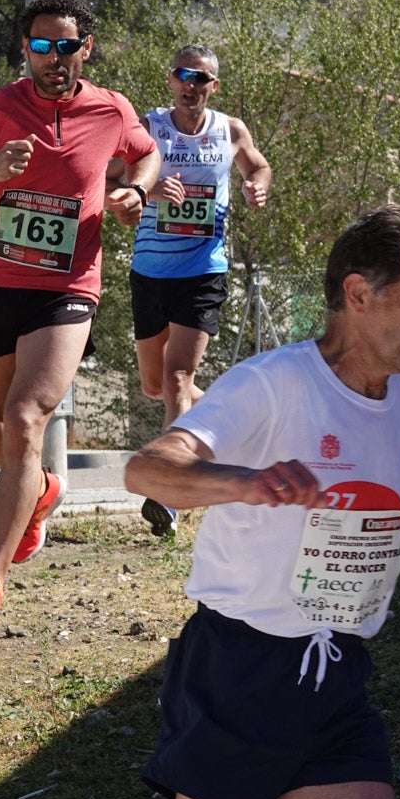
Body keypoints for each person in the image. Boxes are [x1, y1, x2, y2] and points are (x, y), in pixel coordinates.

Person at [125, 203, 400, 799]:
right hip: (235, 674)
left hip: (335, 677)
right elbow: (148, 470)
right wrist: (246, 482)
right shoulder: (272, 382)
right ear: (358, 293)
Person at [0, 0, 160, 635]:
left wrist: (134, 189)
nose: (52, 57)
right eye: (40, 45)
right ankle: (44, 492)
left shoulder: (111, 109)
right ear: (25, 50)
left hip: (67, 290)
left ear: (87, 48)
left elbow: (144, 151)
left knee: (26, 420)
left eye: (65, 45)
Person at [124, 43, 272, 537]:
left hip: (203, 270)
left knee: (178, 376)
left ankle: (167, 493)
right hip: (149, 270)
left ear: (214, 86)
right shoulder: (149, 127)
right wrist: (148, 189)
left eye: (202, 78)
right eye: (184, 76)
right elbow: (116, 180)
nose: (192, 85)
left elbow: (258, 166)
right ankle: (239, 427)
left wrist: (258, 186)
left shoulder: (229, 130)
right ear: (171, 80)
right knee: (158, 386)